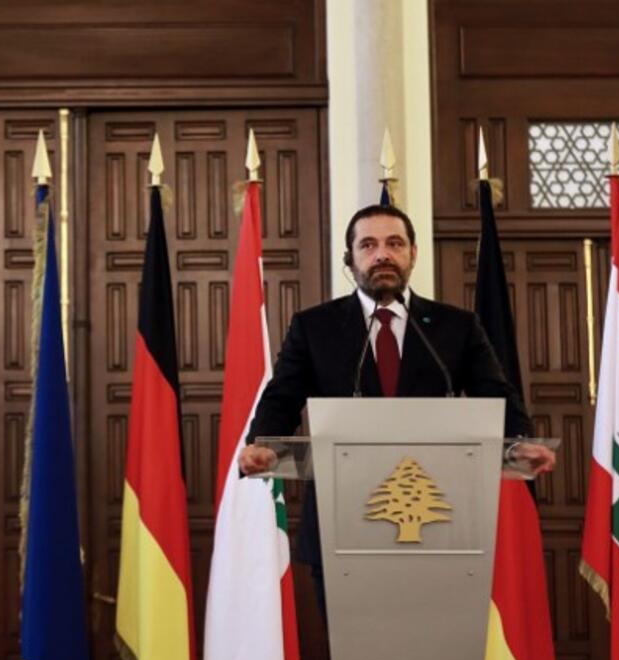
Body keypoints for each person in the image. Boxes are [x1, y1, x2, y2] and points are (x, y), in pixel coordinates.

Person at [238, 203, 556, 604]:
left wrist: (519, 441)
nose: (382, 255)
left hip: (438, 522)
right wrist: (262, 441)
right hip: (341, 525)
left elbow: (495, 392)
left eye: (394, 243)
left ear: (413, 254)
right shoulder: (314, 327)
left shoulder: (455, 327)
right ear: (349, 258)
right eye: (368, 245)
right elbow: (282, 394)